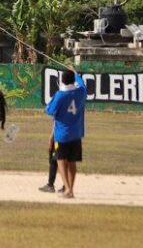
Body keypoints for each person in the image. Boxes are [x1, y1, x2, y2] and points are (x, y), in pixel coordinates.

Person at [45, 68, 87, 199]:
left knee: (61, 161)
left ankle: (67, 189)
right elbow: (82, 85)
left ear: (62, 81)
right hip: (76, 133)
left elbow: (49, 110)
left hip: (62, 135)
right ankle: (71, 189)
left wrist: (53, 98)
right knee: (72, 162)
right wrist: (76, 74)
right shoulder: (81, 92)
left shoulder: (60, 95)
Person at [38, 122, 65, 194]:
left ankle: (50, 185)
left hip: (59, 137)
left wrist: (51, 138)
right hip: (69, 137)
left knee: (54, 160)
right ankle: (66, 186)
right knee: (64, 160)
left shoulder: (59, 112)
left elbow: (56, 124)